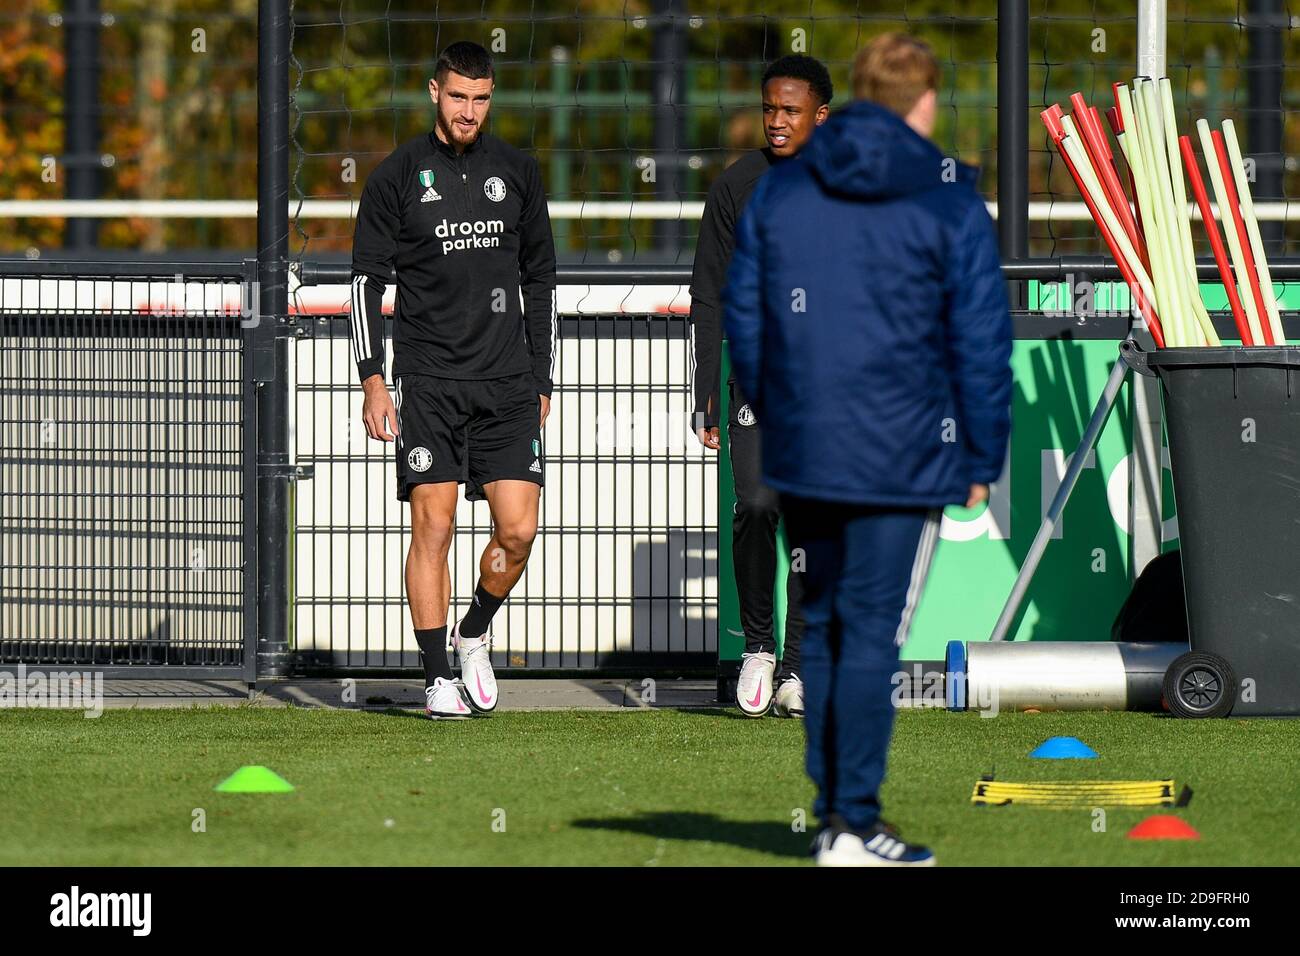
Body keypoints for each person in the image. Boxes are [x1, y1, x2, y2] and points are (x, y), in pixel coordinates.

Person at [723, 32, 1012, 865]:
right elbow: (980, 339)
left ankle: (834, 822)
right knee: (868, 637)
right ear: (923, 103)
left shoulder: (784, 192)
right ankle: (852, 823)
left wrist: (779, 407)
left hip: (808, 446)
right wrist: (981, 455)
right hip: (906, 452)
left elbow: (747, 317)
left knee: (828, 629)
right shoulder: (949, 195)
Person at [349, 40, 557, 719]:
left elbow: (541, 278)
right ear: (434, 92)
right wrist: (373, 380)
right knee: (432, 528)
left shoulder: (519, 172)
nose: (470, 110)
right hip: (430, 381)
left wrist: (541, 374)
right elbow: (364, 284)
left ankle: (473, 631)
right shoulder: (396, 177)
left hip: (505, 386)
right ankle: (437, 677)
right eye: (459, 96)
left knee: (518, 532)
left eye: (482, 98)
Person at [690, 54, 833, 718]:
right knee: (754, 505)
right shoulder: (736, 187)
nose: (777, 122)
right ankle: (758, 647)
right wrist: (706, 386)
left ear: (821, 116)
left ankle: (799, 668)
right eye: (770, 109)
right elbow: (708, 294)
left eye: (791, 111)